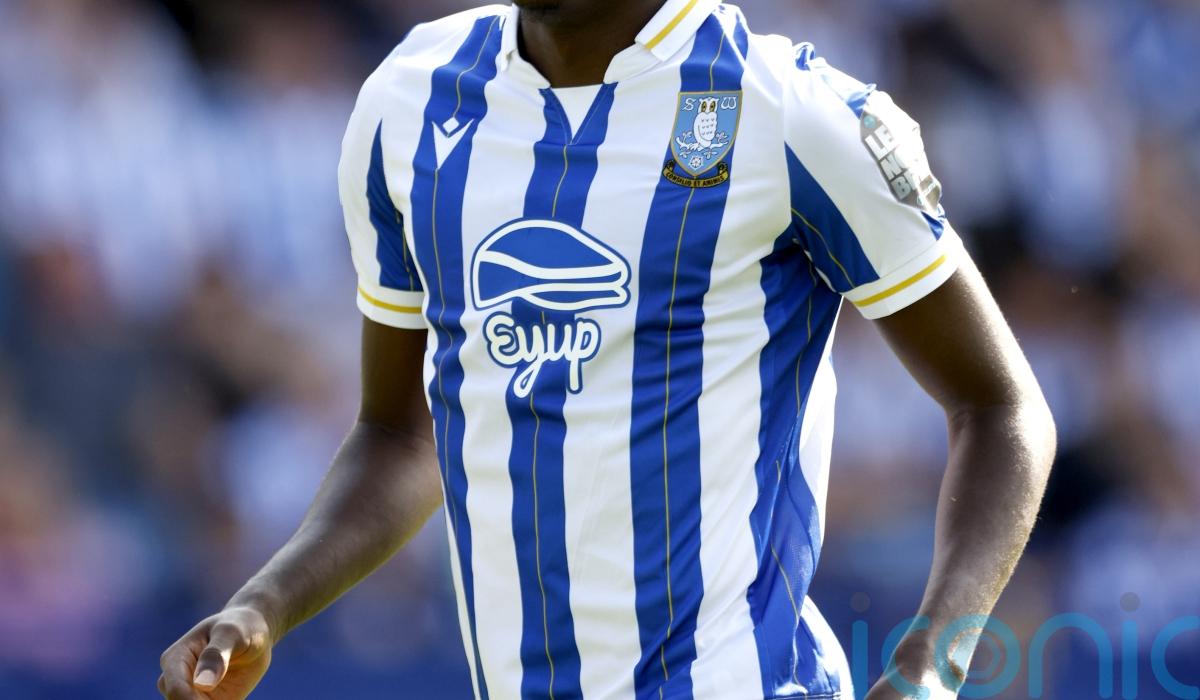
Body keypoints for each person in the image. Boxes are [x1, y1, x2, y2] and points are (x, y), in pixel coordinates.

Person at [157, 1, 1056, 698]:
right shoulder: (411, 100)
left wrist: (932, 665)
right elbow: (403, 433)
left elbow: (1002, 408)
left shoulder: (789, 111)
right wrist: (265, 604)